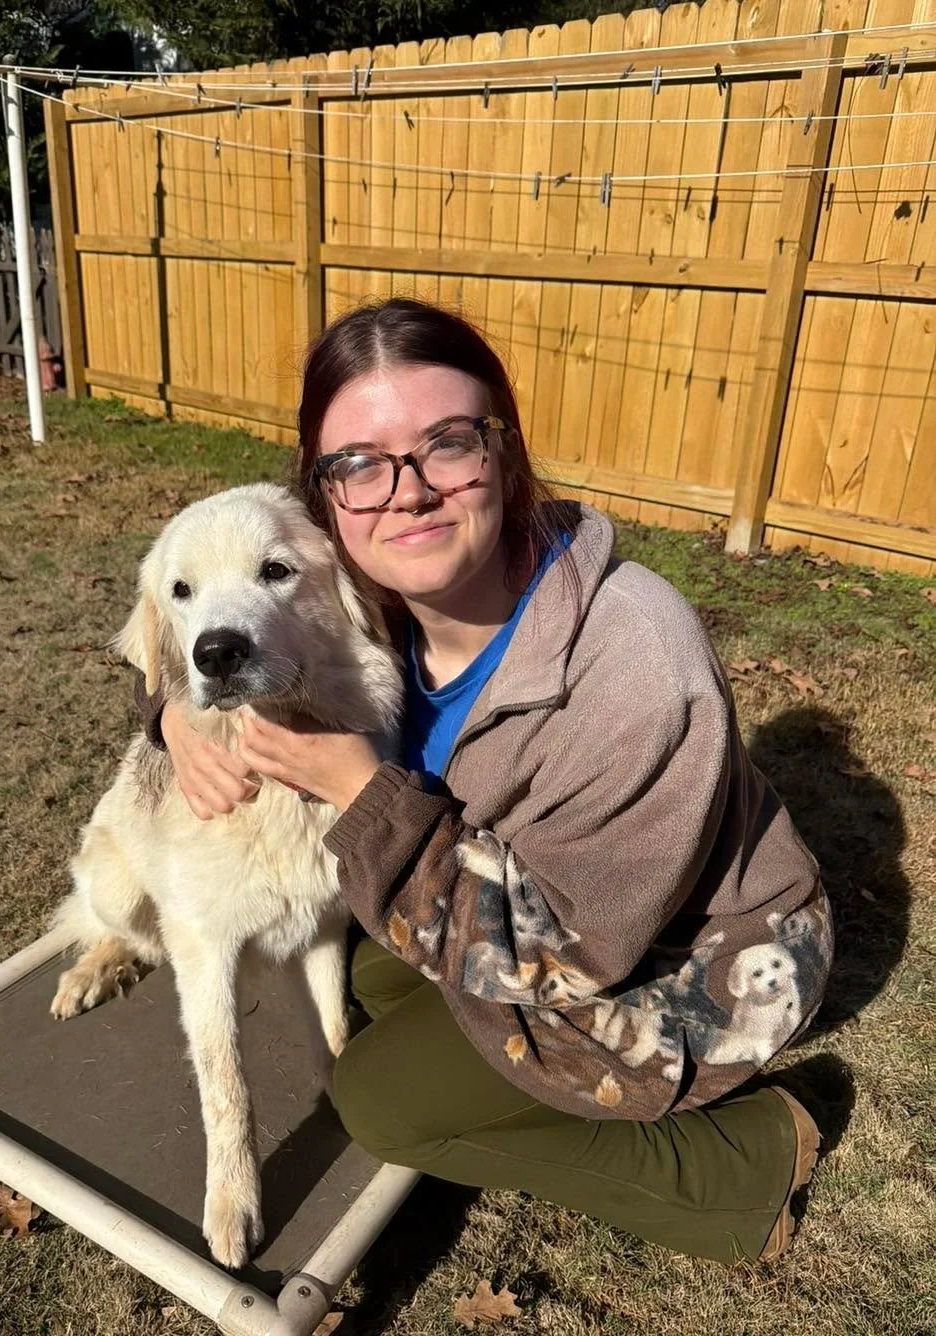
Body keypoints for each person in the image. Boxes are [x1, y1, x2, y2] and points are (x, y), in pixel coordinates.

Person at [136, 298, 833, 1266]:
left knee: (374, 1101)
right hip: (505, 888)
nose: (407, 492)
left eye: (446, 444)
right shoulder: (369, 592)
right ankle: (465, 1098)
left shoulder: (634, 664)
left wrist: (358, 792)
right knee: (375, 974)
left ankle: (745, 1165)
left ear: (500, 452)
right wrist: (172, 716)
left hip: (688, 955)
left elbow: (569, 958)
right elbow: (215, 628)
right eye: (361, 465)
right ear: (323, 504)